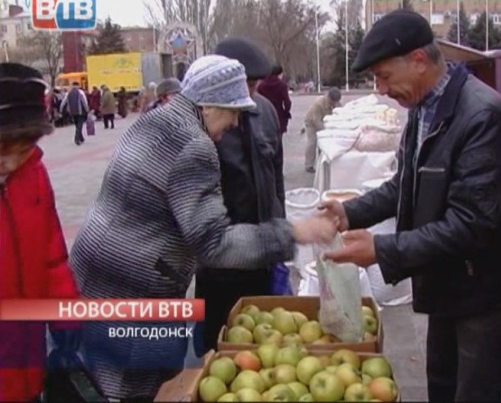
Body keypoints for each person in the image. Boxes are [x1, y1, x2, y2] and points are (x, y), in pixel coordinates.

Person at [68, 55, 337, 400]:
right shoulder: (195, 145)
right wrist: (294, 233)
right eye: (234, 110)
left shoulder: (154, 120)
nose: (237, 122)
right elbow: (215, 244)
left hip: (94, 274)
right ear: (209, 105)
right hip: (135, 290)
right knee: (130, 388)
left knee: (95, 376)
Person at [319, 9, 501, 402]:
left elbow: (472, 224)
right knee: (441, 384)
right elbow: (405, 185)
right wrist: (352, 212)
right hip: (447, 279)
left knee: (474, 392)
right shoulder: (424, 109)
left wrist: (381, 250)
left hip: (483, 290)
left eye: (385, 76)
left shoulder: (483, 117)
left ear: (419, 61)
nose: (382, 90)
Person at [193, 38, 290, 357]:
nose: (250, 93)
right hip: (221, 261)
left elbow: (276, 177)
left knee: (264, 348)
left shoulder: (266, 112)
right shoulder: (201, 119)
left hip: (263, 254)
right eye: (244, 84)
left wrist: (281, 228)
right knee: (219, 346)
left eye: (254, 84)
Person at [0, 63, 81, 401]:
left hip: (27, 354)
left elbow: (52, 254)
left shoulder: (34, 173)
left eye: (24, 149)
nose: (12, 162)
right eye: (5, 149)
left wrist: (65, 315)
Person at [303, 87, 342, 172]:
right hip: (311, 123)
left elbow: (341, 113)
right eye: (333, 102)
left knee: (325, 144)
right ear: (329, 98)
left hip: (325, 122)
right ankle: (309, 165)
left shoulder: (337, 103)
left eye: (336, 102)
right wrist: (326, 132)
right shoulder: (318, 104)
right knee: (312, 143)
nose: (335, 104)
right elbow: (316, 121)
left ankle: (324, 163)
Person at [258, 64, 292, 134]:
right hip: (279, 115)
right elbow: (287, 102)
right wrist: (286, 112)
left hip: (265, 114)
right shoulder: (282, 85)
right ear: (280, 74)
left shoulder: (261, 85)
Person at [60, 81, 89, 145]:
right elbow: (84, 102)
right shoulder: (81, 92)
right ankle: (77, 139)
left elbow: (64, 102)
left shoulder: (68, 93)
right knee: (80, 125)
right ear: (78, 86)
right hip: (80, 111)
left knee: (77, 125)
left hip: (72, 112)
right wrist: (87, 109)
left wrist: (61, 109)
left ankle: (81, 138)